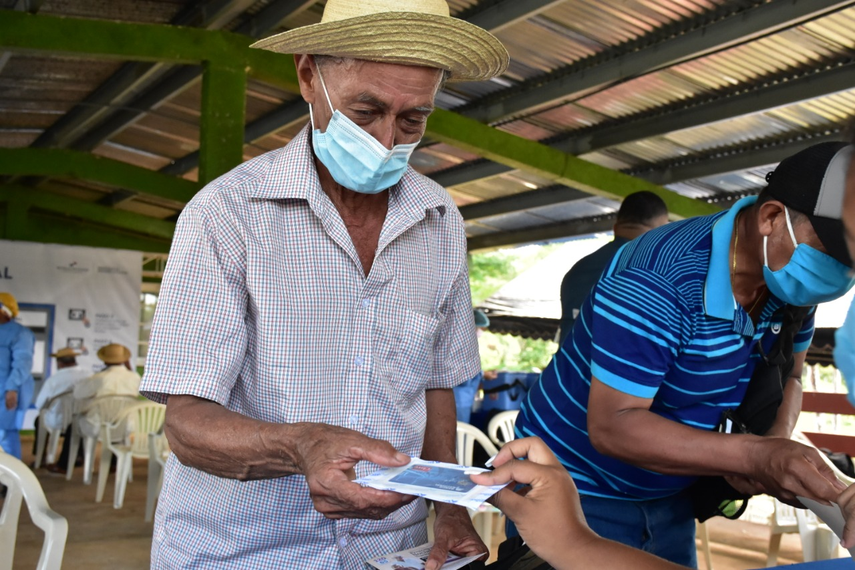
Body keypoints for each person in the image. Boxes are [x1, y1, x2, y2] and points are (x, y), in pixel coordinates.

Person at [138, 1, 509, 567]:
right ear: (309, 76)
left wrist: (449, 509)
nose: (388, 140)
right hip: (245, 550)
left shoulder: (439, 220)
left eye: (413, 120)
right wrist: (300, 445)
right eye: (366, 111)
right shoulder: (227, 214)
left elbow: (436, 384)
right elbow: (187, 426)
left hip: (391, 548)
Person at [516, 141, 855, 566]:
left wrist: (773, 445)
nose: (842, 276)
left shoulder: (793, 283)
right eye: (836, 256)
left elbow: (792, 376)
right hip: (576, 486)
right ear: (771, 218)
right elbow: (613, 425)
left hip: (671, 489)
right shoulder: (658, 278)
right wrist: (756, 455)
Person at [558, 191, 668, 344]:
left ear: (615, 227)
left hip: (570, 366)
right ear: (658, 232)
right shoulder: (656, 273)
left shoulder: (577, 272)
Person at [32, 347, 90, 471]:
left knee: (39, 420)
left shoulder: (54, 380)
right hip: (84, 420)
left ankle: (41, 457)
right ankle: (79, 455)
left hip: (58, 421)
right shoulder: (88, 375)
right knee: (77, 421)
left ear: (59, 363)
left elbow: (39, 404)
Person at [73, 343, 140, 436]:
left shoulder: (98, 378)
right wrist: (129, 368)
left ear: (104, 360)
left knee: (77, 418)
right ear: (124, 360)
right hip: (127, 426)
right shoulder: (135, 377)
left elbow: (77, 394)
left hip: (98, 425)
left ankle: (85, 450)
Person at [0, 292, 34, 460]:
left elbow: (23, 363)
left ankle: (11, 481)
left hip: (7, 393)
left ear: (5, 310)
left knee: (5, 435)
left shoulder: (20, 334)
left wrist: (12, 388)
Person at [454, 309, 494, 423]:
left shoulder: (468, 346)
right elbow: (460, 375)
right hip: (458, 401)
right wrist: (483, 374)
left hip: (464, 400)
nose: (480, 332)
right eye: (479, 328)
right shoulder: (460, 346)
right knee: (459, 437)